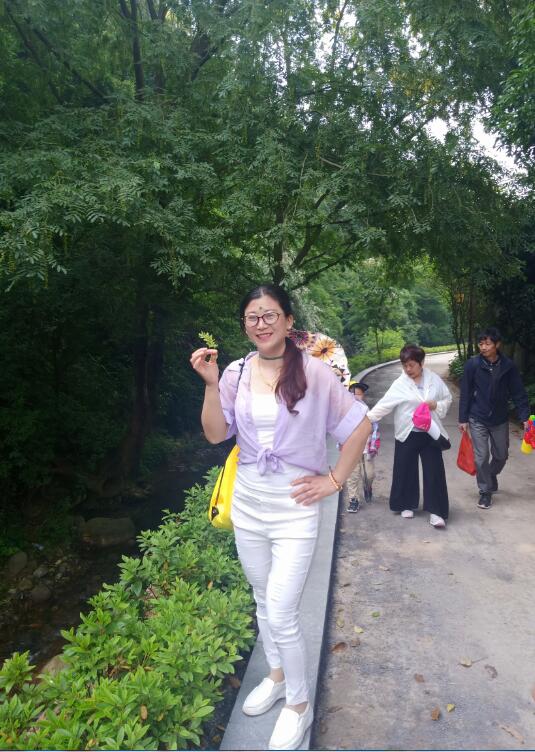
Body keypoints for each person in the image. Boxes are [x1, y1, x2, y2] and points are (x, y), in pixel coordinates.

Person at [190, 284, 371, 751]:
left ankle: (299, 704)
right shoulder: (235, 372)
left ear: (289, 321)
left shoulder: (314, 372)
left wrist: (334, 480)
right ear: (245, 325)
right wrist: (210, 384)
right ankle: (276, 676)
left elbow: (360, 425)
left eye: (270, 315)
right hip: (249, 503)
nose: (261, 324)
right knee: (262, 600)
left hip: (295, 508)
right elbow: (215, 434)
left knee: (284, 608)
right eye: (252, 317)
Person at [367, 344, 452, 528]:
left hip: (430, 432)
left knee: (434, 471)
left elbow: (447, 398)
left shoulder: (434, 379)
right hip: (408, 431)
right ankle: (406, 504)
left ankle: (436, 512)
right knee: (405, 468)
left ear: (421, 363)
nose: (408, 369)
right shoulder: (400, 383)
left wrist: (436, 405)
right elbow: (384, 405)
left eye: (411, 365)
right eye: (405, 365)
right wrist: (366, 420)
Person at [458, 327, 530, 510]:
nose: (483, 347)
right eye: (481, 343)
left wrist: (524, 417)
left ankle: (490, 475)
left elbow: (518, 392)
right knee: (481, 457)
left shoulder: (508, 366)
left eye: (487, 344)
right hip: (477, 417)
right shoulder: (473, 365)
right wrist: (463, 418)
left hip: (499, 418)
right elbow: (465, 392)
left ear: (497, 345)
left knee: (501, 455)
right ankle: (485, 491)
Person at [344, 381, 380, 513]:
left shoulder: (367, 412)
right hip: (351, 450)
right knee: (352, 476)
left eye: (359, 394)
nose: (356, 397)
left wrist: (373, 445)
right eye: (353, 394)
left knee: (369, 475)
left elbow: (375, 429)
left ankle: (368, 486)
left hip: (366, 449)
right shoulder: (344, 412)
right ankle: (353, 500)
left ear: (363, 395)